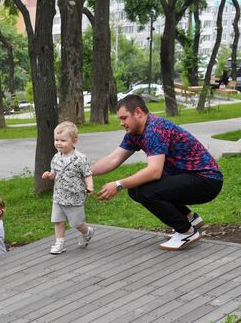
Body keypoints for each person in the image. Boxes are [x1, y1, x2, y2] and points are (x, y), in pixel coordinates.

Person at [91, 95, 223, 251]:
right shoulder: (135, 134)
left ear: (138, 112)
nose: (121, 123)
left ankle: (186, 231)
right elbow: (113, 159)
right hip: (192, 178)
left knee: (144, 190)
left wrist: (119, 184)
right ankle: (189, 219)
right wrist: (82, 172)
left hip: (207, 181)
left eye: (124, 118)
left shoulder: (155, 128)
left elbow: (154, 172)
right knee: (137, 188)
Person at [41, 121, 94, 255]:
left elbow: (87, 174)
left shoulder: (80, 158)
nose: (58, 143)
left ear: (74, 140)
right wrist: (49, 175)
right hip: (59, 196)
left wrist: (90, 186)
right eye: (56, 140)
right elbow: (55, 174)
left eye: (63, 140)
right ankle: (59, 243)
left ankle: (87, 232)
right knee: (58, 221)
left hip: (74, 197)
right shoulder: (56, 158)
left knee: (77, 223)